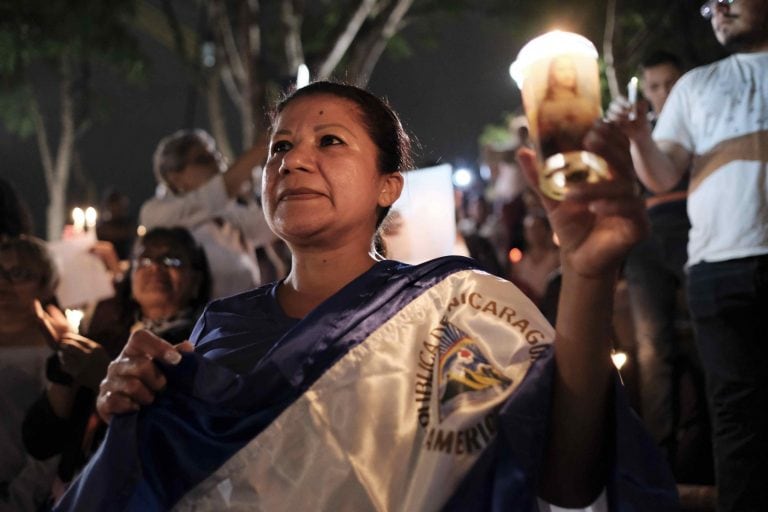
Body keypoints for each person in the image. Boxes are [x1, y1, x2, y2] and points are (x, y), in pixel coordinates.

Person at [58, 82, 676, 511]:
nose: (295, 161)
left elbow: (564, 476)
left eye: (329, 142)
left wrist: (588, 275)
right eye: (281, 147)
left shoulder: (458, 306)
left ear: (388, 186)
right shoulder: (220, 326)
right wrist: (127, 405)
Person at [608, 1, 768, 509]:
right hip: (717, 271)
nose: (717, 8)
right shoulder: (698, 85)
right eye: (708, 2)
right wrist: (637, 135)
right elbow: (662, 173)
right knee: (737, 417)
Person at [22, 227, 211, 504]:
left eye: (172, 261)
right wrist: (67, 358)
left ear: (196, 281)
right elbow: (41, 440)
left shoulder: (204, 343)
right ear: (130, 276)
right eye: (145, 260)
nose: (156, 268)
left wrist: (104, 372)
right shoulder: (104, 335)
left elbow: (182, 440)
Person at [608, 51, 697, 465]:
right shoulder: (634, 131)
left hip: (696, 231)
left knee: (703, 336)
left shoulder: (696, 123)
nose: (663, 94)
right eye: (655, 87)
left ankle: (704, 440)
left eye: (671, 84)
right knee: (651, 346)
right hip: (647, 240)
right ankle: (662, 454)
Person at [140, 129, 275, 299]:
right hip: (198, 323)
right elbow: (221, 190)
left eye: (216, 155)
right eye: (203, 159)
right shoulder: (157, 213)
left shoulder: (229, 213)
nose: (216, 162)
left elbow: (273, 225)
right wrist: (263, 146)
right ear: (175, 177)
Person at [0, 236, 60, 512]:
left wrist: (18, 500)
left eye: (20, 274)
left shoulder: (54, 353)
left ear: (46, 284)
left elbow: (52, 444)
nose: (4, 284)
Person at [537, 55, 601, 159]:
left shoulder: (585, 103)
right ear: (552, 73)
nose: (567, 74)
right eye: (561, 69)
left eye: (570, 68)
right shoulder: (546, 108)